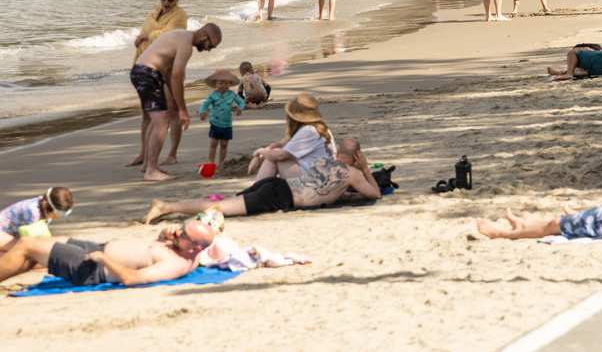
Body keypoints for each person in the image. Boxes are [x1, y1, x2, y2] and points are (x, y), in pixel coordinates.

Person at [146, 137, 381, 225]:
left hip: (277, 185)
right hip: (278, 196)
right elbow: (375, 194)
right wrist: (365, 168)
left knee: (227, 203)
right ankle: (167, 206)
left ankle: (171, 206)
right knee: (221, 207)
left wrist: (347, 194)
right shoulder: (353, 174)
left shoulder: (324, 161)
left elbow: (324, 189)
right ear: (357, 155)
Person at [0, 219, 215, 288]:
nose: (178, 232)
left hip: (92, 267)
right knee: (35, 251)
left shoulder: (176, 264)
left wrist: (103, 259)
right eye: (181, 228)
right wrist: (164, 235)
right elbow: (150, 251)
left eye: (183, 233)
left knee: (27, 245)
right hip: (94, 249)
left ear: (196, 247)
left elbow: (133, 278)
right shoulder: (184, 247)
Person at [131, 25, 223, 181]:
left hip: (144, 72)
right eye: (211, 46)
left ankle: (148, 165)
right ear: (204, 35)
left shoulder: (180, 35)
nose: (208, 50)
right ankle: (151, 171)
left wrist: (175, 99)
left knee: (158, 120)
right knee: (161, 123)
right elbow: (177, 75)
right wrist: (182, 110)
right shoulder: (186, 45)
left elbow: (168, 73)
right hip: (147, 74)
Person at [128, 0, 190, 169]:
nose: (166, 2)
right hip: (146, 66)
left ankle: (172, 154)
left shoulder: (180, 15)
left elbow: (169, 36)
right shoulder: (154, 12)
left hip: (167, 67)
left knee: (172, 111)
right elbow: (145, 32)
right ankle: (143, 153)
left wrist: (147, 36)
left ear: (176, 0)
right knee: (147, 113)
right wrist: (141, 37)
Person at [0, 188, 75, 253]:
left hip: (13, 234)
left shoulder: (44, 205)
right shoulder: (32, 212)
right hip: (3, 234)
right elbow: (34, 241)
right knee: (27, 252)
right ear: (49, 208)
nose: (59, 217)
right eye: (61, 214)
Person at [198, 69, 244, 174]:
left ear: (230, 84)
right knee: (213, 144)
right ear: (215, 84)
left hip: (227, 124)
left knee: (224, 144)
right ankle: (211, 163)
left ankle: (221, 163)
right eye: (221, 82)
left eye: (226, 83)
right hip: (215, 123)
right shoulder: (213, 95)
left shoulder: (232, 95)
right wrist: (202, 112)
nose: (223, 85)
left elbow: (241, 102)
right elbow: (205, 105)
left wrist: (239, 108)